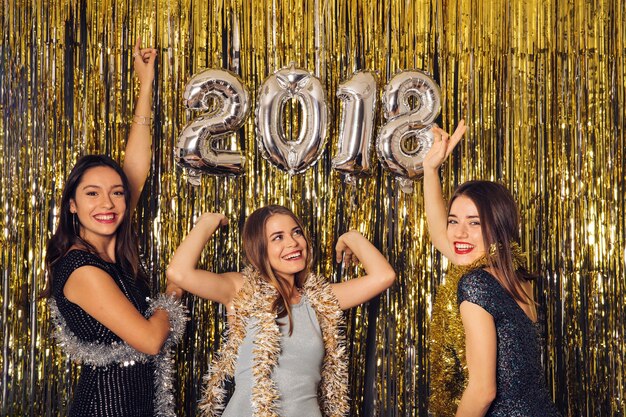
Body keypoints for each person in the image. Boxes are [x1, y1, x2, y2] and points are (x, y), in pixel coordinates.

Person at [42, 39, 186, 417]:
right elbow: (151, 340)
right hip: (106, 408)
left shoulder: (109, 248)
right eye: (92, 193)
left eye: (116, 194)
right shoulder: (82, 269)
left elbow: (134, 168)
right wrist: (172, 292)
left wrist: (145, 85)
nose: (106, 204)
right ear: (72, 205)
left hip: (137, 404)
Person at [166, 205, 396, 416]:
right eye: (278, 237)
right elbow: (179, 273)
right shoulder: (242, 290)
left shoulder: (321, 300)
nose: (293, 243)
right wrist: (208, 222)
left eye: (296, 233)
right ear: (259, 248)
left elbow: (384, 276)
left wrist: (352, 238)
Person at [423, 120, 561, 416]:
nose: (459, 233)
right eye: (453, 220)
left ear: (497, 228)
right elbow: (440, 234)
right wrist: (430, 171)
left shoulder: (476, 284)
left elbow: (483, 391)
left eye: (474, 223)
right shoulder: (516, 276)